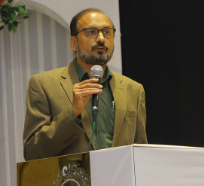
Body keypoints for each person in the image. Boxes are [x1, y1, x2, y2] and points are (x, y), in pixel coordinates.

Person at [23, 8, 147, 161]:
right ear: (74, 43)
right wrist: (73, 113)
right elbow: (32, 152)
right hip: (72, 177)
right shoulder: (43, 85)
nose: (101, 38)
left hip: (120, 176)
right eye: (91, 32)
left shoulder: (133, 89)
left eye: (107, 32)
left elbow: (142, 153)